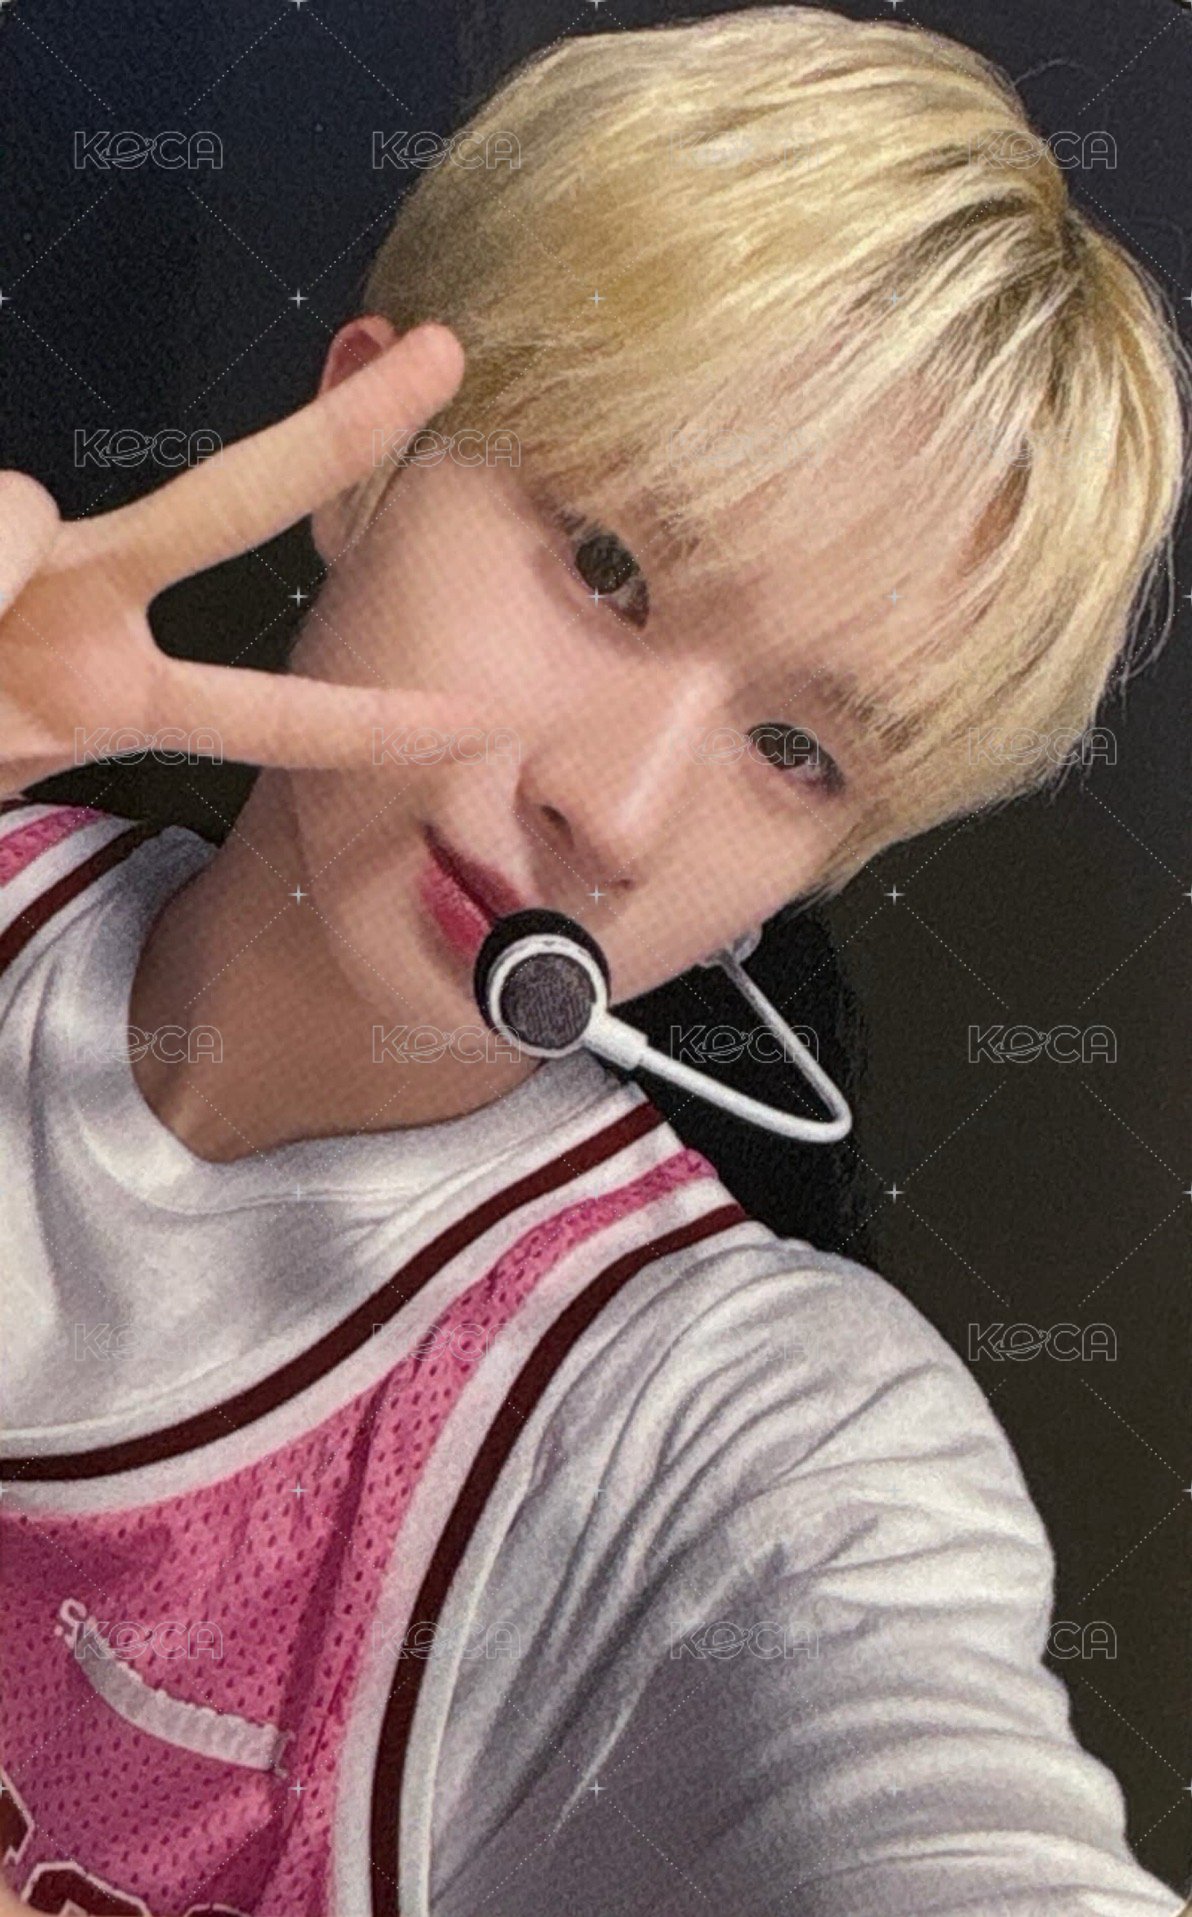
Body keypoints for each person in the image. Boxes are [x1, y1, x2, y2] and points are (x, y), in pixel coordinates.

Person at [0, 9, 1188, 1915]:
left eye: (795, 751)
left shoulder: (742, 1427)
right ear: (367, 454)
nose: (615, 814)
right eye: (610, 565)